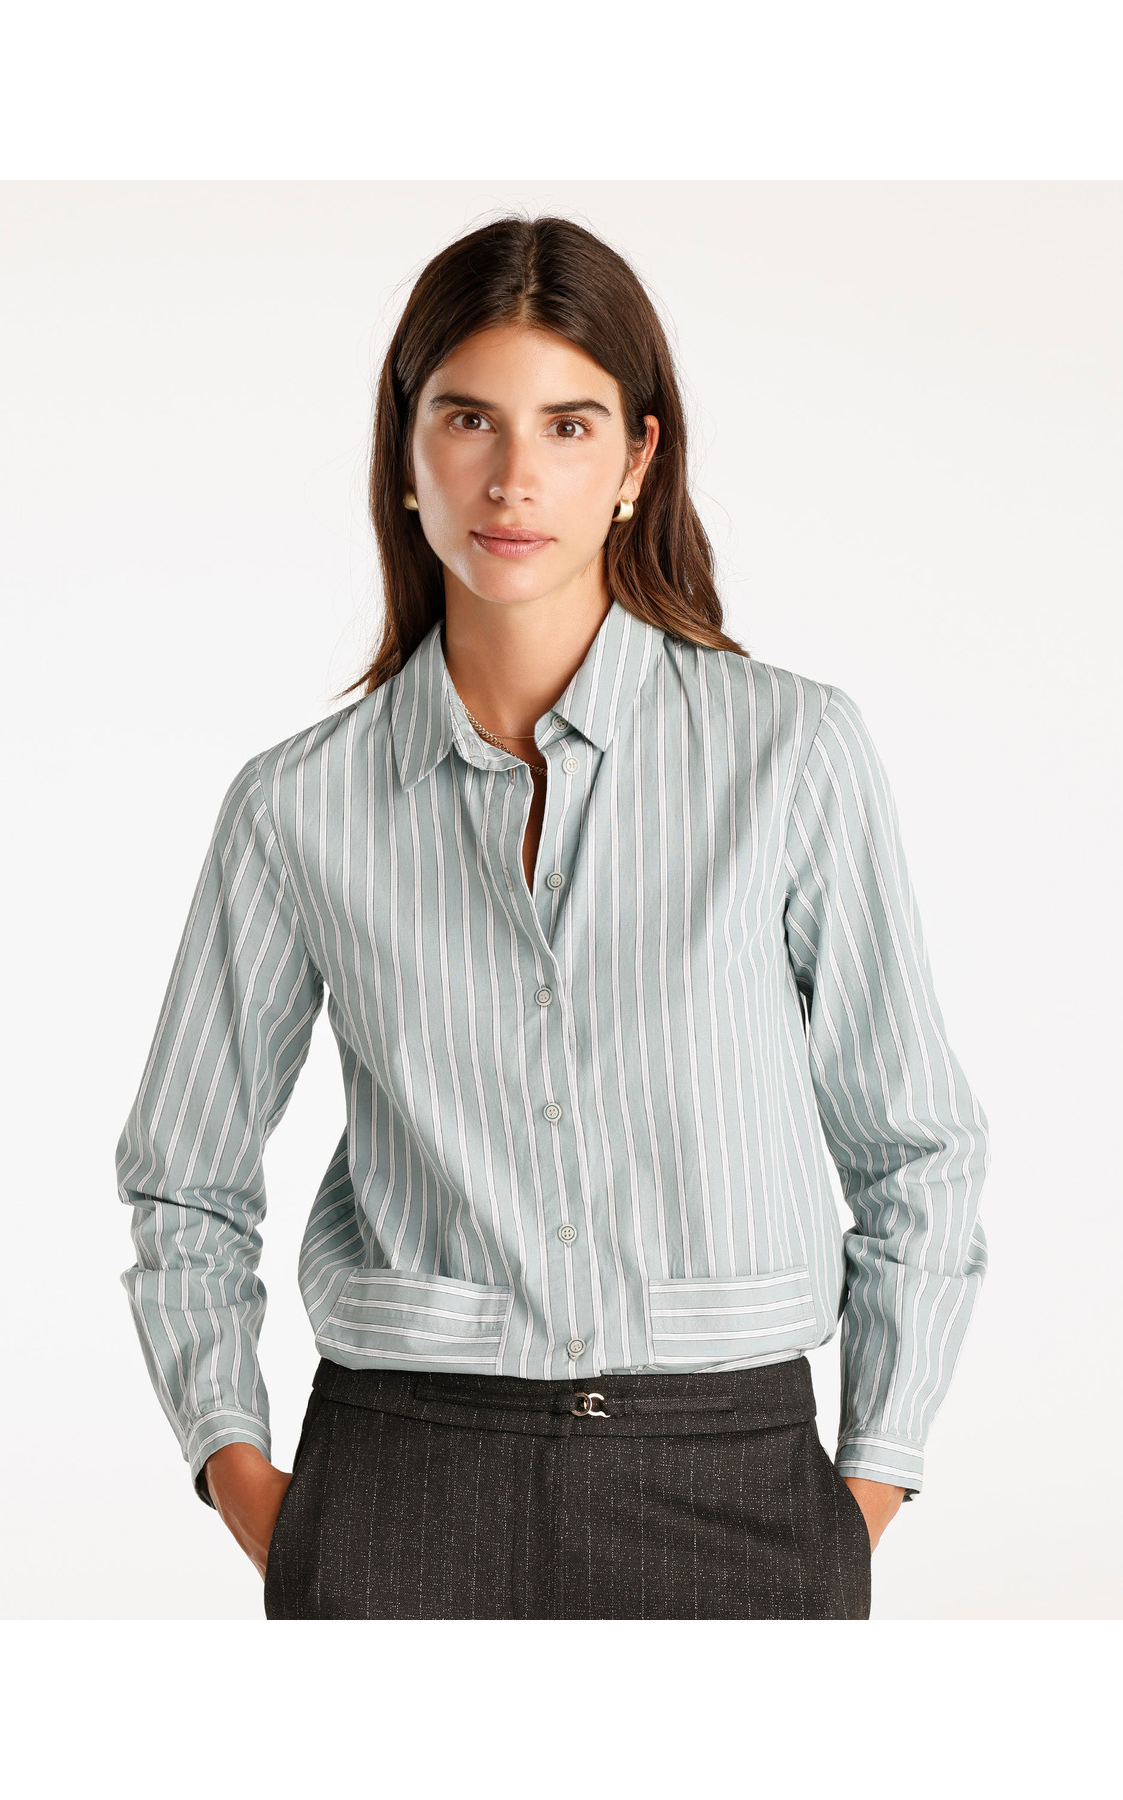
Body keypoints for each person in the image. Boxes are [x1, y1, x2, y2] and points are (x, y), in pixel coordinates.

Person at [115, 213, 990, 1619]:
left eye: (569, 426)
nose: (513, 477)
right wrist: (250, 1482)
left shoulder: (790, 754)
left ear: (638, 461)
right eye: (469, 418)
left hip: (737, 1485)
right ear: (406, 451)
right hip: (401, 1480)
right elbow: (184, 1178)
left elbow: (917, 1149)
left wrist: (866, 1488)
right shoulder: (297, 805)